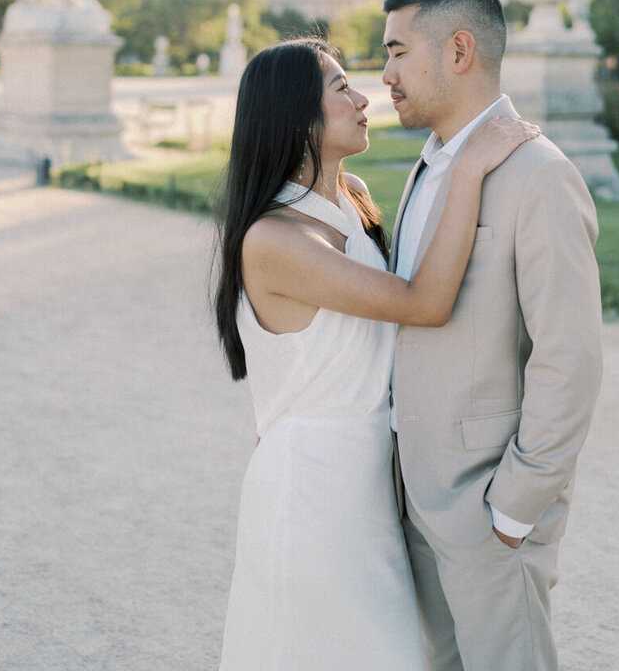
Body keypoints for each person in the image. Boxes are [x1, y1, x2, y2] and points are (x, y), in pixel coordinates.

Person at [213, 36, 538, 671]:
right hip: (310, 487)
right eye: (340, 88)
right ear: (294, 116)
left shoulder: (353, 195)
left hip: (375, 477)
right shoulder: (274, 238)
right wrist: (468, 169)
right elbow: (422, 303)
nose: (364, 98)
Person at [382, 0, 603, 671]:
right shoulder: (429, 164)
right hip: (416, 493)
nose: (383, 74)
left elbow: (569, 356)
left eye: (395, 51)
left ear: (458, 51)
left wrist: (513, 509)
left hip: (487, 508)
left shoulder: (540, 174)